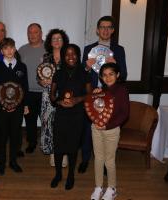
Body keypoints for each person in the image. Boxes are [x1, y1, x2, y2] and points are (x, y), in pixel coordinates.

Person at [79, 15, 128, 174]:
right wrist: (86, 67)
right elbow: (81, 75)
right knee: (88, 128)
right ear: (97, 30)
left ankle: (107, 164)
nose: (105, 30)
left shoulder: (119, 50)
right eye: (102, 27)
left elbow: (124, 75)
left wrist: (116, 65)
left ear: (112, 30)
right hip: (92, 95)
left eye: (109, 27)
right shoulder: (88, 49)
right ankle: (85, 159)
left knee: (108, 128)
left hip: (111, 97)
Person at [49, 44, 91, 190]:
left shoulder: (84, 73)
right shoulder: (58, 73)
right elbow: (52, 95)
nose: (70, 57)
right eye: (67, 54)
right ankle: (58, 174)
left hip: (77, 114)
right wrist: (58, 101)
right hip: (61, 114)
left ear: (78, 56)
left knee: (73, 148)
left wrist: (76, 100)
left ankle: (71, 175)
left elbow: (89, 95)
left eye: (73, 54)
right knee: (59, 146)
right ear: (62, 56)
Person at [90, 63, 129, 200]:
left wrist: (107, 126)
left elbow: (124, 114)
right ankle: (98, 186)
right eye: (104, 75)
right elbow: (93, 109)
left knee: (109, 160)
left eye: (111, 74)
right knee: (98, 158)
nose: (108, 77)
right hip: (96, 129)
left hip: (111, 130)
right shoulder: (100, 90)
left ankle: (112, 188)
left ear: (117, 75)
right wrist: (92, 96)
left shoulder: (122, 90)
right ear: (101, 77)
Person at [0, 38, 29, 175]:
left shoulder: (22, 67)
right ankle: (1, 163)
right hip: (2, 109)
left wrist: (24, 104)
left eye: (11, 48)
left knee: (15, 135)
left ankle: (13, 161)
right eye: (5, 48)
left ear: (15, 49)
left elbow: (24, 87)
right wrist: (1, 104)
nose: (9, 51)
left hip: (17, 108)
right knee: (2, 136)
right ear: (2, 51)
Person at [40, 29, 69, 167]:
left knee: (63, 124)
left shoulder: (69, 56)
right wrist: (42, 82)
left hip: (64, 95)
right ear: (49, 42)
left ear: (64, 41)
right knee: (49, 124)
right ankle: (52, 152)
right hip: (48, 95)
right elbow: (39, 76)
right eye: (54, 39)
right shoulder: (46, 57)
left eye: (59, 38)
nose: (57, 41)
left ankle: (63, 153)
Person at [18, 23, 45, 154]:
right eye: (30, 32)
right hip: (28, 92)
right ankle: (32, 143)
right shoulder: (22, 50)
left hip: (45, 92)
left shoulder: (49, 48)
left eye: (35, 32)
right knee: (30, 120)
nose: (32, 35)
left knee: (46, 119)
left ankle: (46, 143)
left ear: (41, 33)